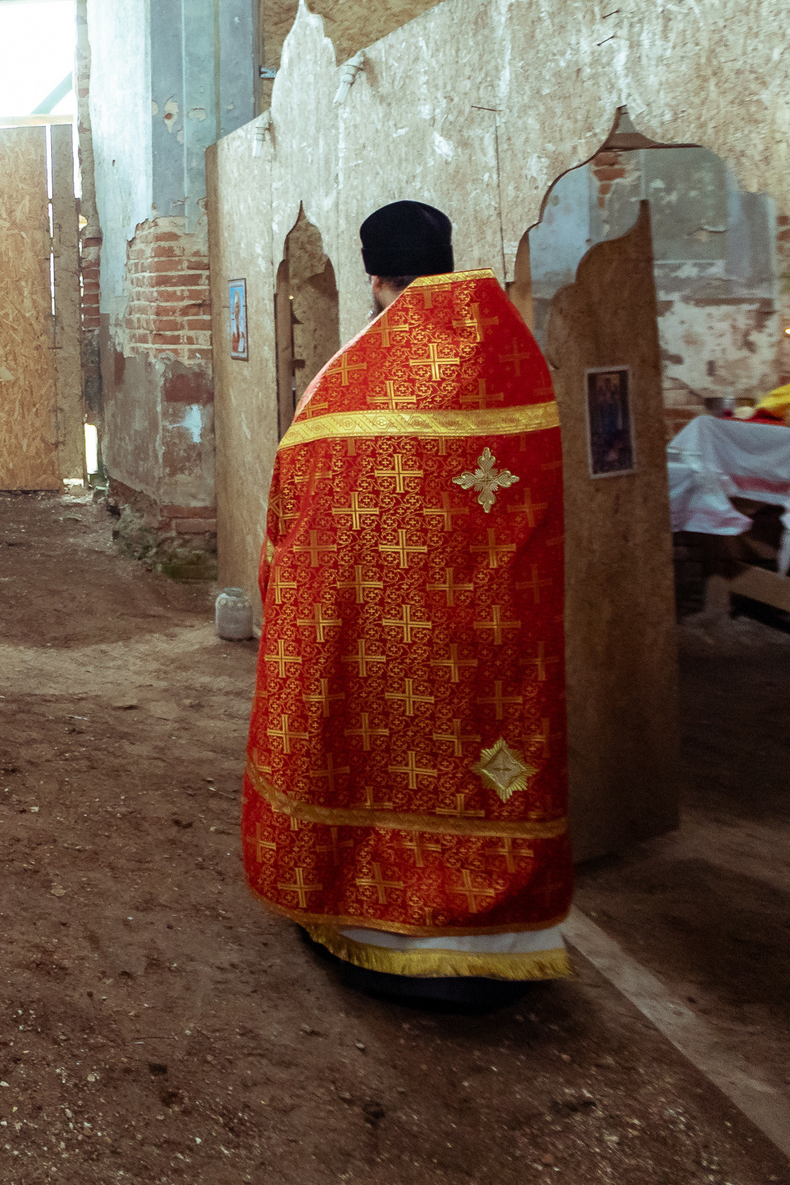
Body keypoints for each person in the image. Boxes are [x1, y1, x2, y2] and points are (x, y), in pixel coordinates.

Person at [241, 199, 573, 1010]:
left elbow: (297, 515)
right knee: (479, 760)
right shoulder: (513, 354)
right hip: (489, 637)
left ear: (375, 278)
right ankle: (495, 937)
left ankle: (379, 924)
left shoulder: (349, 379)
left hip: (377, 637)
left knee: (379, 753)